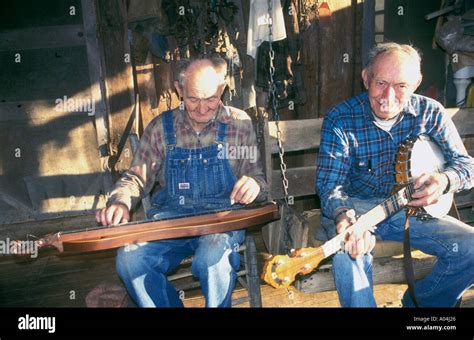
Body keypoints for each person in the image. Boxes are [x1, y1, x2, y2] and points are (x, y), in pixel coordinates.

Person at [95, 57, 267, 307]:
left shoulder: (239, 125)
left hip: (221, 224)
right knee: (129, 260)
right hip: (170, 223)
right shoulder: (160, 129)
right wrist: (120, 202)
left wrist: (253, 185)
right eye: (193, 99)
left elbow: (259, 180)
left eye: (210, 99)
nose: (202, 109)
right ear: (179, 90)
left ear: (222, 90)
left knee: (212, 256)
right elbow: (136, 177)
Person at [315, 42, 473, 307]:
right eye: (381, 83)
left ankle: (419, 305)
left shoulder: (431, 113)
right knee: (350, 254)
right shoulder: (341, 119)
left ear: (416, 83)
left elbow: (466, 166)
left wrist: (443, 180)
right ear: (366, 78)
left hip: (412, 213)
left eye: (401, 86)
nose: (389, 95)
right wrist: (343, 215)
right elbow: (331, 186)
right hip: (357, 209)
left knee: (470, 248)